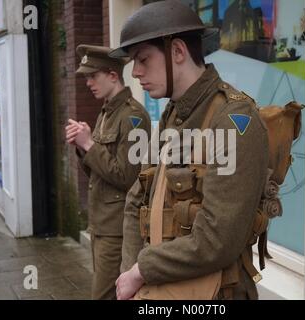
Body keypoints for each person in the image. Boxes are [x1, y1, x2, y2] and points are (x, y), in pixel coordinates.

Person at [113, 0, 269, 300]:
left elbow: (217, 239)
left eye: (143, 59)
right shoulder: (174, 113)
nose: (135, 72)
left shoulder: (234, 121)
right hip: (160, 289)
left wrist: (140, 270)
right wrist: (129, 276)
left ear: (178, 52)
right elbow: (137, 199)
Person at [65, 45, 151, 300]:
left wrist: (89, 144)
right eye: (86, 77)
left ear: (113, 75)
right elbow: (99, 173)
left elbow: (129, 177)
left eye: (93, 76)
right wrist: (83, 148)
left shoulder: (134, 117)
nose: (88, 82)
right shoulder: (106, 112)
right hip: (102, 223)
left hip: (117, 228)